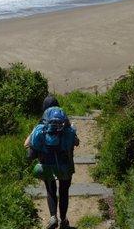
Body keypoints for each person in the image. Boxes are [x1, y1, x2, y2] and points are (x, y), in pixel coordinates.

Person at [25, 96, 79, 229]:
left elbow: (30, 155)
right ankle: (64, 220)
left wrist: (30, 139)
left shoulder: (40, 128)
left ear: (44, 108)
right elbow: (76, 142)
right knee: (64, 191)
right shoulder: (67, 126)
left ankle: (53, 217)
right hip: (65, 165)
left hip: (47, 165)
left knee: (50, 190)